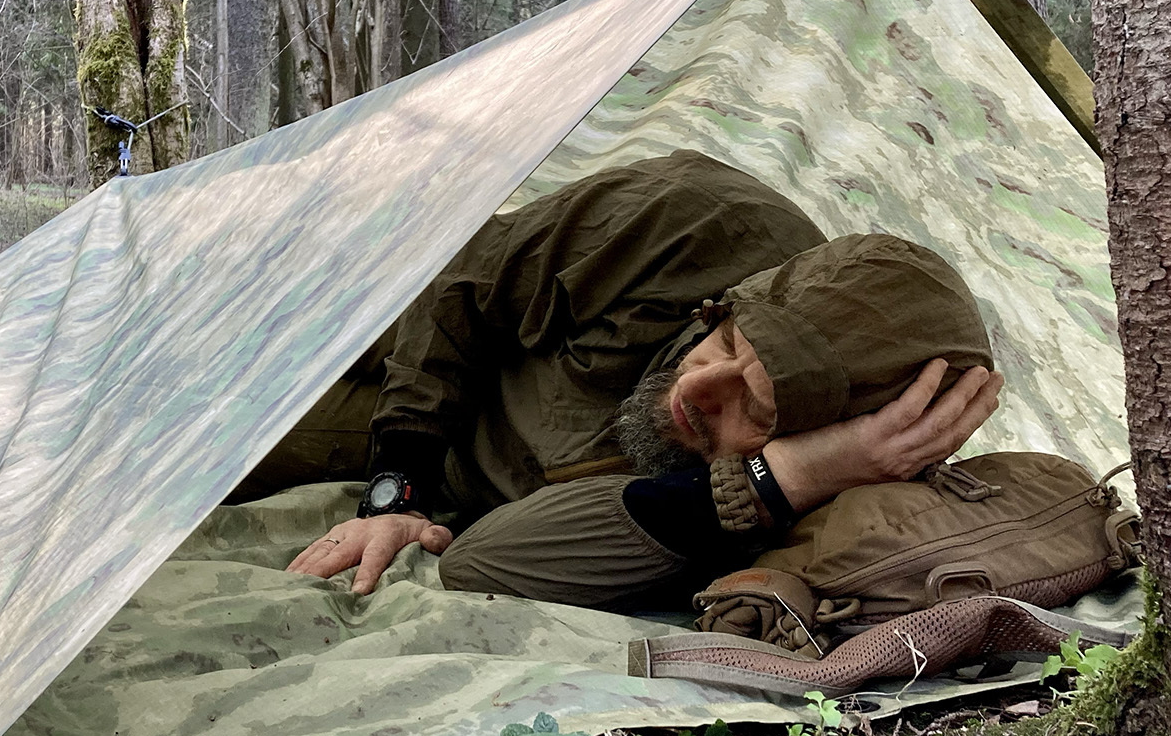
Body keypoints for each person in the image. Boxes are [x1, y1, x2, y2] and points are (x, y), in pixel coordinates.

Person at [281, 151, 1002, 613]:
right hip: (396, 358)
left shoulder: (837, 493)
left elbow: (486, 561)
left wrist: (787, 476)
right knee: (211, 430)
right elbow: (464, 286)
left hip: (477, 487)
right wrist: (394, 490)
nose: (698, 389)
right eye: (724, 340)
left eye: (753, 405)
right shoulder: (691, 220)